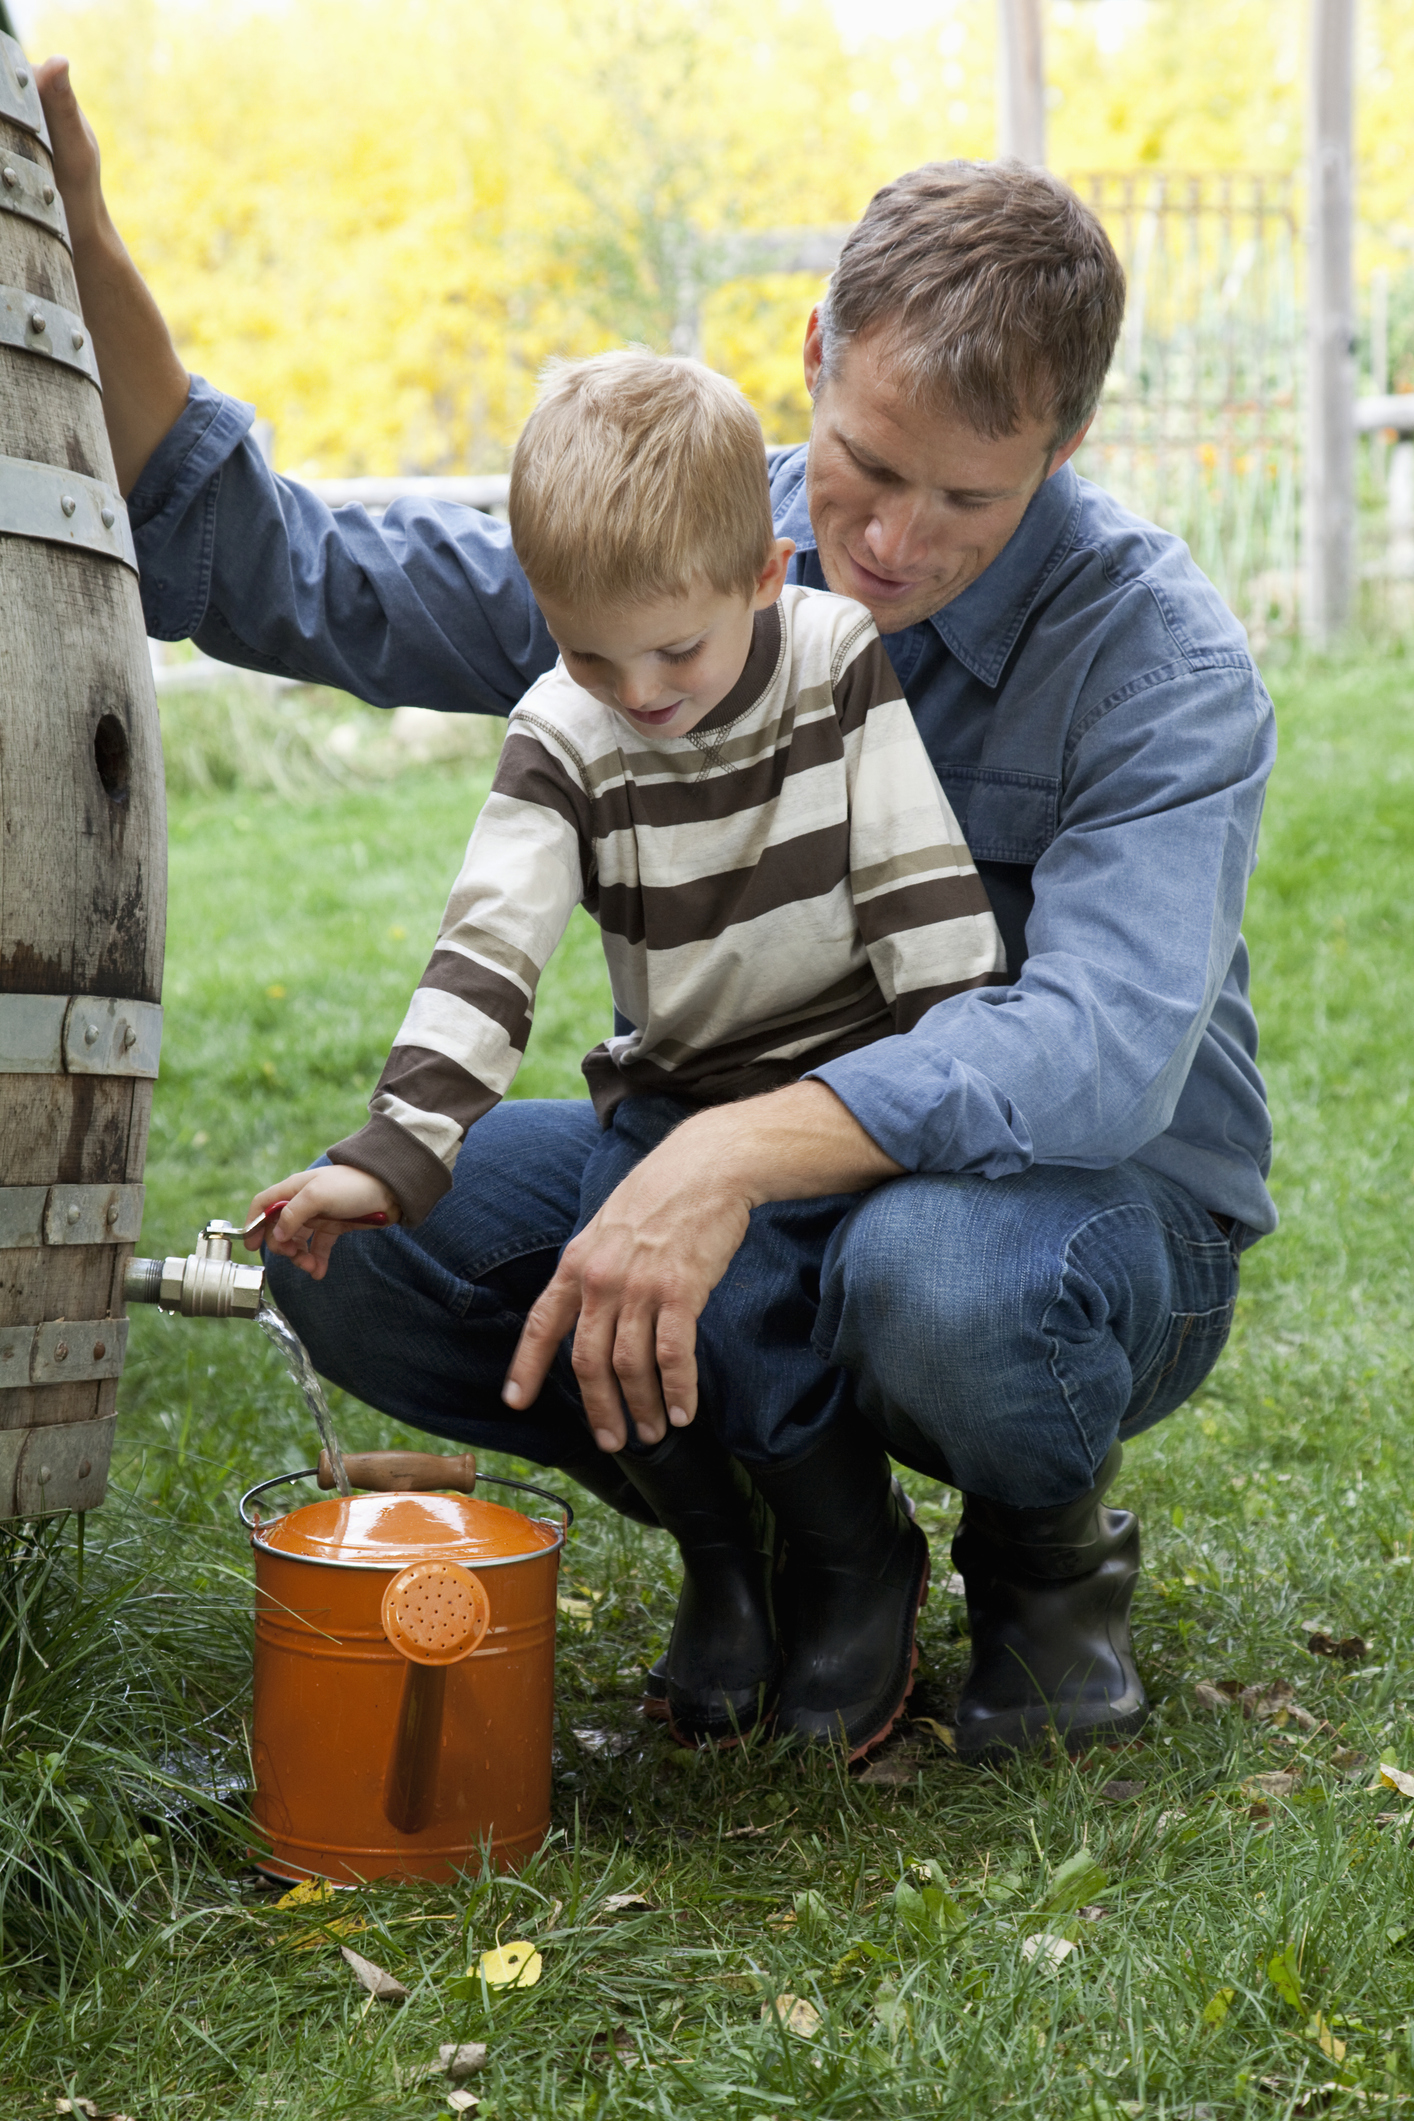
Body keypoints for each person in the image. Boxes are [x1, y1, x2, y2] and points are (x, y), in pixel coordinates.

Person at [39, 59, 1277, 1765]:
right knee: (368, 1255)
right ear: (814, 365)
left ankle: (1045, 1576)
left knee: (935, 1280)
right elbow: (289, 568)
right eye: (863, 466)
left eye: (967, 500)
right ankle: (777, 1535)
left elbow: (1096, 1056)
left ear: (1062, 450)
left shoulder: (1159, 664)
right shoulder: (692, 552)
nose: (890, 544)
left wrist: (721, 1156)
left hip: (1078, 1206)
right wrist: (81, 230)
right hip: (762, 1132)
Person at [245, 347, 1006, 1751]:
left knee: (736, 1320)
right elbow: (490, 943)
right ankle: (723, 1559)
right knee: (609, 1305)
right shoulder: (565, 731)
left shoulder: (835, 661)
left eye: (674, 649)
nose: (637, 690)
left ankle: (852, 1553)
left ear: (763, 578)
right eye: (589, 651)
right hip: (674, 1088)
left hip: (837, 1082)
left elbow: (919, 887)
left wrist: (940, 1084)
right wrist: (395, 1152)